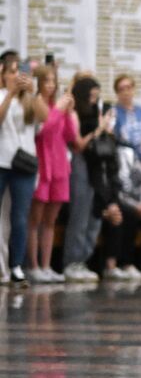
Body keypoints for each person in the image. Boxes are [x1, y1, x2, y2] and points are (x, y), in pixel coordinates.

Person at [26, 68, 76, 284]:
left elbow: (70, 136)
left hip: (59, 166)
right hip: (42, 164)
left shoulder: (59, 106)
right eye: (46, 81)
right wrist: (58, 111)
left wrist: (68, 113)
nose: (51, 85)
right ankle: (32, 266)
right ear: (38, 83)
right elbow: (44, 130)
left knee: (50, 220)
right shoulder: (35, 103)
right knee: (35, 219)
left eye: (53, 81)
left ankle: (46, 266)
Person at [0, 58, 44, 285]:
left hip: (24, 164)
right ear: (4, 75)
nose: (17, 76)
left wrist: (33, 94)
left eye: (21, 73)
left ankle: (16, 265)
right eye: (13, 72)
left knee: (19, 217)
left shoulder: (29, 100)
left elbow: (44, 117)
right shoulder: (1, 95)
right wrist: (9, 94)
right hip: (1, 162)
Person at [61, 75, 108, 283]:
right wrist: (98, 130)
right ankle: (72, 261)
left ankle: (84, 259)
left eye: (96, 97)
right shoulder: (75, 113)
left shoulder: (95, 112)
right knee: (80, 213)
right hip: (79, 163)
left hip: (96, 165)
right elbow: (78, 144)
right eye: (91, 96)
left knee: (94, 212)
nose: (94, 100)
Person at [94, 142, 141, 281]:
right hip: (109, 201)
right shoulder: (104, 158)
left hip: (128, 200)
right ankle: (116, 264)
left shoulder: (129, 155)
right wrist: (132, 206)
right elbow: (114, 188)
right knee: (122, 213)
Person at [111, 73, 141, 164]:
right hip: (125, 161)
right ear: (117, 93)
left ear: (134, 89)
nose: (126, 92)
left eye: (128, 88)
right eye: (121, 89)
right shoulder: (114, 112)